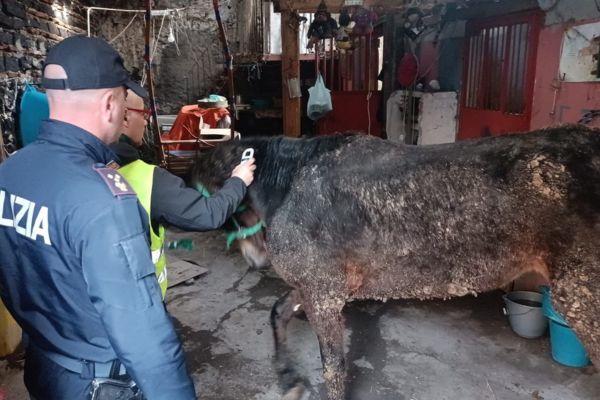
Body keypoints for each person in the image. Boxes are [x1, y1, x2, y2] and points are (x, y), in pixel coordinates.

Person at [0, 36, 234, 400]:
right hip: (99, 383)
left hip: (44, 367)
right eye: (125, 100)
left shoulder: (10, 173)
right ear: (110, 104)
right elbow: (145, 339)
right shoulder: (103, 199)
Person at [111, 90, 256, 298]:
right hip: (139, 305)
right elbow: (208, 214)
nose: (146, 122)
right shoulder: (148, 178)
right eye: (144, 114)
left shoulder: (76, 165)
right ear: (125, 116)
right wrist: (239, 180)